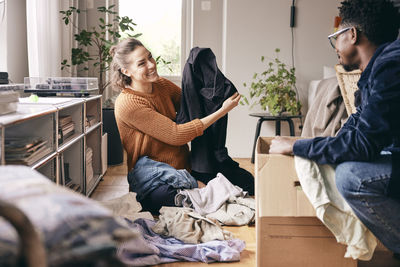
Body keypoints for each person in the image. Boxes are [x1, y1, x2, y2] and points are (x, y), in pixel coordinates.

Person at [270, 0, 400, 256]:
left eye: (336, 37)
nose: (335, 47)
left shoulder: (390, 68)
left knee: (352, 177)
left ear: (352, 34)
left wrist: (297, 144)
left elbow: (362, 145)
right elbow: (353, 131)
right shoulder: (377, 70)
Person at [110, 38, 242, 213]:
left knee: (245, 182)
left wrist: (212, 91)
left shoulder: (161, 85)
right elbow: (176, 135)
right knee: (164, 197)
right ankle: (199, 189)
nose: (151, 65)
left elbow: (192, 105)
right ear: (126, 71)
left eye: (150, 57)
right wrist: (222, 111)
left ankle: (199, 189)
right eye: (142, 63)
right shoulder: (128, 103)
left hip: (184, 170)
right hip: (154, 179)